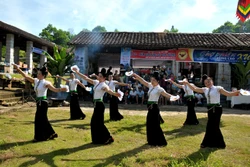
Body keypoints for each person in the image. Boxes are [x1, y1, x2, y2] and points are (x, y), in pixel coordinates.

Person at [13, 63, 67, 142]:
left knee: (39, 119)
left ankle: (39, 137)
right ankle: (51, 133)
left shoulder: (46, 83)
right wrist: (18, 69)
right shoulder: (36, 81)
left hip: (43, 103)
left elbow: (54, 89)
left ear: (43, 75)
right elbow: (26, 76)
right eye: (37, 73)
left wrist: (61, 89)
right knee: (43, 119)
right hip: (39, 102)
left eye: (39, 74)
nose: (37, 75)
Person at [184, 75, 240, 149]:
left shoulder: (218, 88)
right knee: (209, 126)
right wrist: (187, 83)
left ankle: (220, 144)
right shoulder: (205, 89)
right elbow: (195, 89)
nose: (208, 83)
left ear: (212, 81)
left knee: (215, 126)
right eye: (206, 83)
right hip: (210, 109)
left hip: (217, 109)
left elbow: (228, 94)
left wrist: (238, 92)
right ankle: (207, 143)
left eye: (209, 82)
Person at [72, 67, 120, 144]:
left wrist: (115, 94)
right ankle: (96, 139)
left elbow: (109, 90)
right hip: (96, 105)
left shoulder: (104, 85)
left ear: (104, 78)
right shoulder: (96, 82)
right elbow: (86, 78)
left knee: (99, 123)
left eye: (101, 76)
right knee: (94, 123)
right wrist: (77, 72)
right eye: (99, 76)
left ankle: (108, 137)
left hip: (100, 105)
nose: (99, 77)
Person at [132, 72, 178, 146]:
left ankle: (161, 142)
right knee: (149, 124)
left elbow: (166, 94)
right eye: (151, 80)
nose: (152, 81)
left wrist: (174, 97)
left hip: (154, 108)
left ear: (158, 81)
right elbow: (143, 81)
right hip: (150, 108)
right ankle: (151, 140)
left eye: (153, 80)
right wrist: (136, 75)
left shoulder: (159, 89)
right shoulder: (151, 86)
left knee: (156, 125)